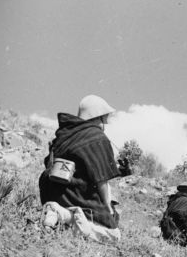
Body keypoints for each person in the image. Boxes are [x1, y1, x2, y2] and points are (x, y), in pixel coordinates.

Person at [39, 95, 124, 244]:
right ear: (100, 115)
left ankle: (58, 214)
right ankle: (62, 215)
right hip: (74, 194)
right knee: (113, 236)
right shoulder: (96, 136)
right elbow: (101, 179)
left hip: (50, 191)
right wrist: (108, 208)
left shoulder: (64, 134)